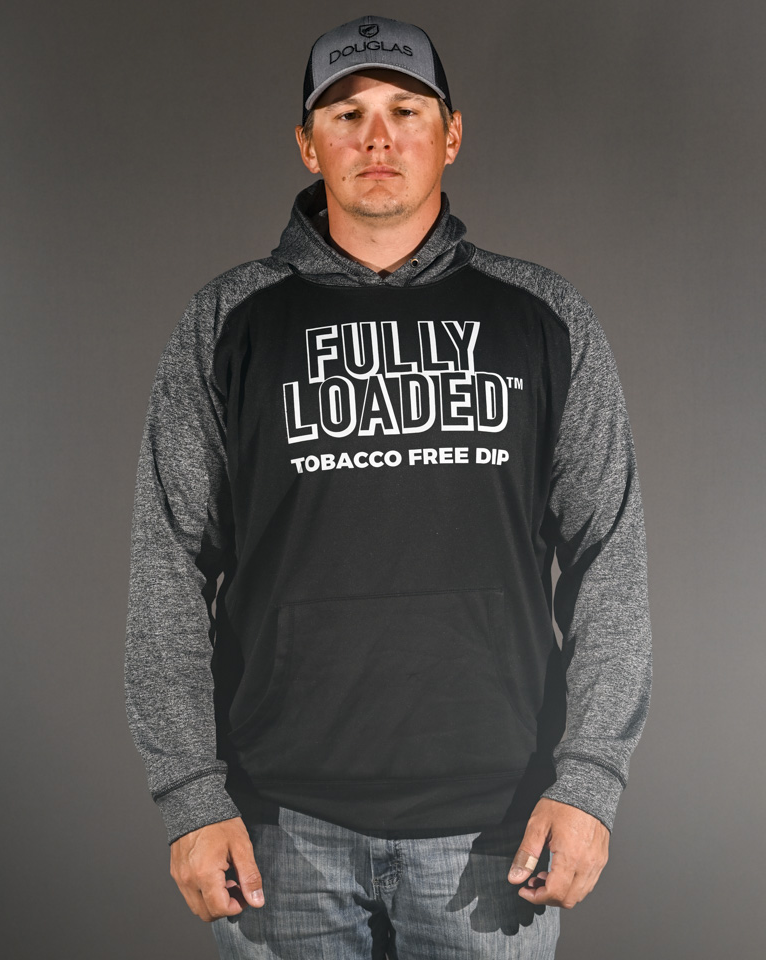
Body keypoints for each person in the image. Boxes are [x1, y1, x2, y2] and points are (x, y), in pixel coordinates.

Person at [125, 14, 652, 960]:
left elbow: (609, 556)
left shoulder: (543, 319)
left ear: (452, 134)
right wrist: (191, 797)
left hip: (498, 830)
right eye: (347, 113)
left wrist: (590, 782)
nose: (378, 138)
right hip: (276, 830)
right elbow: (167, 563)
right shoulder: (228, 323)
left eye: (407, 110)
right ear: (307, 142)